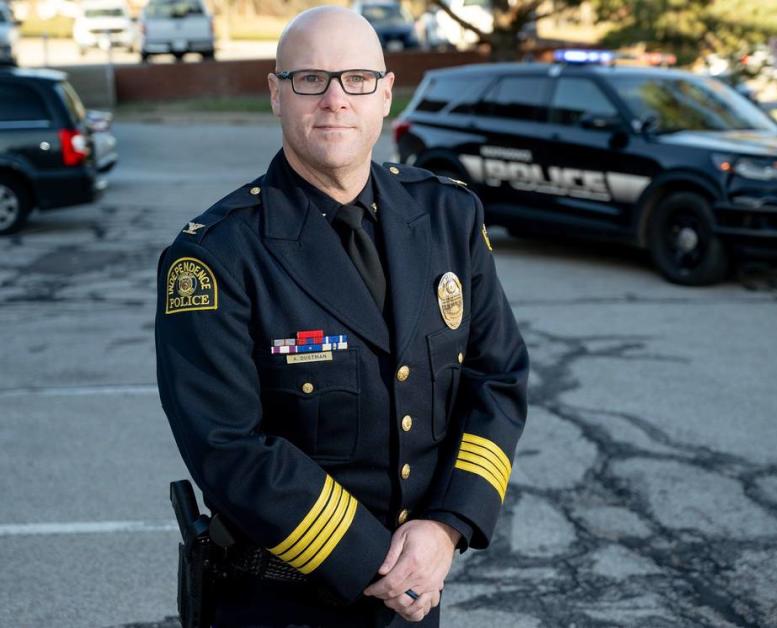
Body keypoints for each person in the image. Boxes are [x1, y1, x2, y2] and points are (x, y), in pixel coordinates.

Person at [154, 6, 528, 627]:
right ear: (276, 94)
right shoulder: (214, 255)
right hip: (276, 603)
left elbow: (499, 379)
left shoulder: (448, 218)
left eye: (356, 79)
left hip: (416, 591)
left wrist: (447, 526)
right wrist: (379, 563)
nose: (335, 99)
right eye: (310, 79)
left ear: (385, 93)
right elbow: (227, 446)